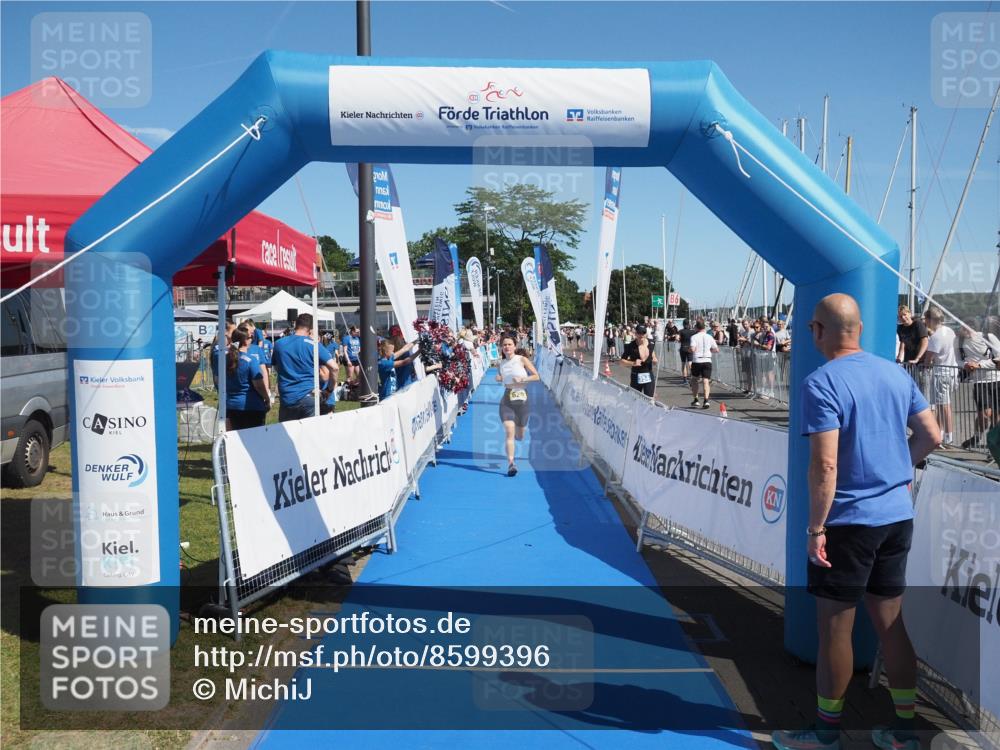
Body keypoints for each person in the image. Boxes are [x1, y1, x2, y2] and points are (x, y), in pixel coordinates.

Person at [771, 294, 940, 750]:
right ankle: (904, 730)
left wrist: (814, 529)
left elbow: (825, 466)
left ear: (819, 331)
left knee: (835, 631)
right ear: (860, 329)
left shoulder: (821, 382)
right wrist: (898, 474)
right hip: (895, 515)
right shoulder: (894, 373)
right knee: (891, 624)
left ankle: (827, 735)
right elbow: (933, 435)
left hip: (847, 522)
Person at [271, 313, 338, 422]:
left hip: (287, 398)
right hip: (309, 397)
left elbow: (276, 367)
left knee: (287, 435)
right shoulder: (313, 344)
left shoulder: (279, 344)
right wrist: (329, 390)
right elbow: (334, 368)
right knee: (310, 436)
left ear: (296, 325)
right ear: (311, 329)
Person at [495, 333, 540, 477]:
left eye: (509, 344)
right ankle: (511, 463)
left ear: (515, 346)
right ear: (502, 348)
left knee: (519, 436)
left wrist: (523, 378)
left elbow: (536, 376)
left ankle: (517, 434)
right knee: (509, 431)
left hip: (522, 399)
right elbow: (502, 377)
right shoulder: (500, 363)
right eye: (504, 345)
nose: (507, 347)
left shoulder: (522, 359)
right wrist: (499, 377)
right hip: (507, 399)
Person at [958, 319, 1000, 449]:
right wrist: (965, 365)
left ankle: (993, 446)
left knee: (996, 416)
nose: (964, 331)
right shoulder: (960, 341)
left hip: (996, 379)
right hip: (979, 381)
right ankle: (977, 436)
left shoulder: (988, 337)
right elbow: (957, 360)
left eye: (966, 328)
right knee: (985, 414)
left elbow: (998, 356)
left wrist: (980, 365)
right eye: (962, 328)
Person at [921, 307, 958, 447]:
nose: (925, 322)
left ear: (931, 320)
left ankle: (948, 437)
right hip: (951, 372)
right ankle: (941, 433)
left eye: (926, 319)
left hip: (941, 373)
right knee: (942, 404)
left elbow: (928, 359)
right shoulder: (949, 331)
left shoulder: (935, 337)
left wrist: (924, 366)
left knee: (943, 406)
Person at [224, 329, 270, 430]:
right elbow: (258, 384)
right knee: (255, 439)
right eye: (251, 337)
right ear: (245, 341)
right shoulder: (250, 360)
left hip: (232, 405)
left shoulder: (225, 359)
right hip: (251, 406)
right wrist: (267, 398)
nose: (252, 339)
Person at [620, 324, 658, 397]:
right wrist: (633, 363)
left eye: (643, 333)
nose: (641, 335)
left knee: (650, 398)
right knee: (635, 398)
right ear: (636, 333)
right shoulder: (631, 346)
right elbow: (621, 362)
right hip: (636, 375)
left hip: (648, 375)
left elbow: (652, 354)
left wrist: (655, 359)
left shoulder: (651, 343)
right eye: (639, 333)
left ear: (646, 334)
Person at [688, 320, 719, 409]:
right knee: (706, 381)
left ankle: (696, 399)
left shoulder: (694, 337)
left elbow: (693, 349)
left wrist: (689, 350)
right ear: (704, 328)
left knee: (694, 380)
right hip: (707, 360)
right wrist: (709, 350)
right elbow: (716, 350)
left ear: (696, 328)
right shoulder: (709, 337)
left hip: (697, 360)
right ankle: (706, 401)